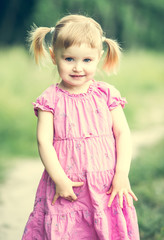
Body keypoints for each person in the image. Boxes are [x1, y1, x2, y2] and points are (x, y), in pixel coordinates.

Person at [22, 14, 140, 240]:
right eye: (69, 59)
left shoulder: (106, 94)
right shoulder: (50, 99)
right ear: (53, 56)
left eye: (87, 60)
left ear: (99, 58)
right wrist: (59, 179)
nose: (78, 68)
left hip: (105, 184)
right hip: (68, 185)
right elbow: (44, 141)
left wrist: (122, 174)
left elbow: (122, 133)